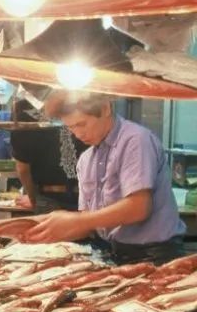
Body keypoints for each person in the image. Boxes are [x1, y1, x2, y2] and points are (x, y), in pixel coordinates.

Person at [24, 93, 185, 264]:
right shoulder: (86, 160)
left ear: (105, 108)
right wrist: (46, 230)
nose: (78, 134)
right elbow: (88, 223)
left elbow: (138, 207)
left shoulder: (135, 140)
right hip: (115, 252)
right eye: (71, 128)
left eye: (82, 124)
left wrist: (76, 220)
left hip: (156, 255)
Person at [10, 98, 88, 211]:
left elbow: (23, 169)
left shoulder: (22, 108)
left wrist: (33, 199)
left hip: (47, 198)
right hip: (86, 195)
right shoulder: (79, 97)